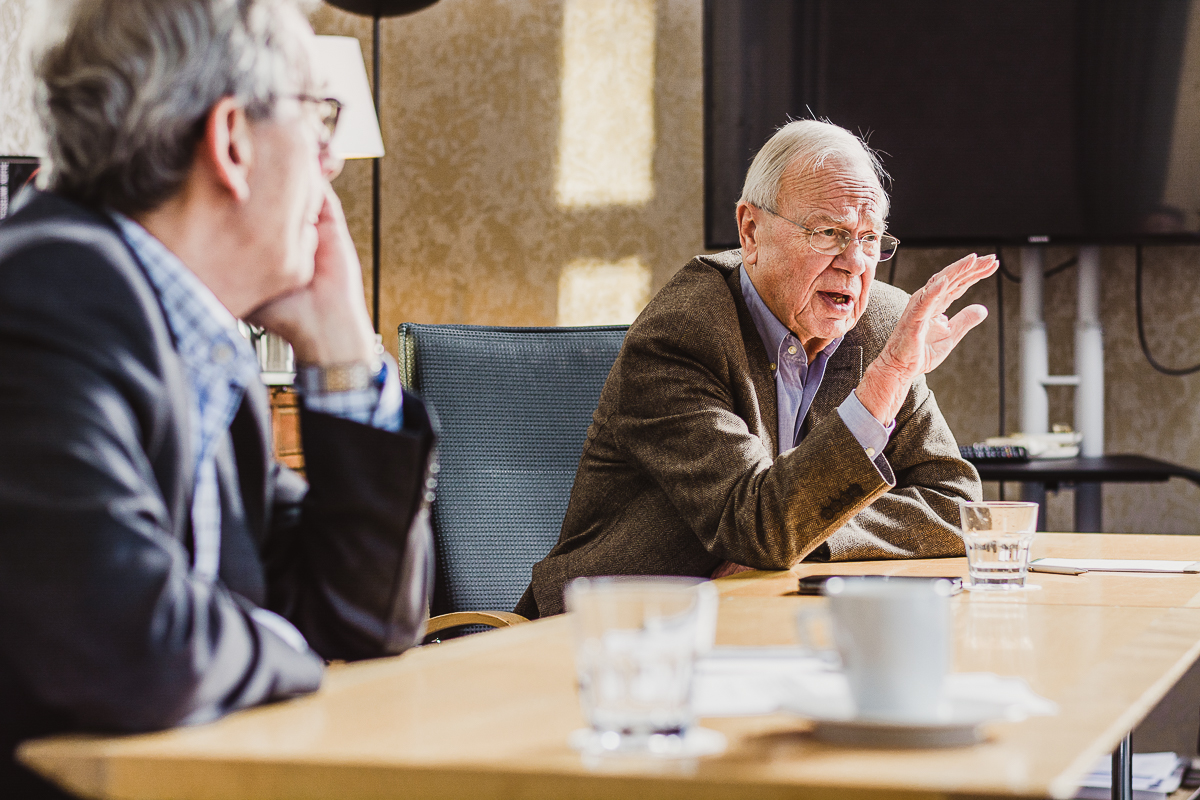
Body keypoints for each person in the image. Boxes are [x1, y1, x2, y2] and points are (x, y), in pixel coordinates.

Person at [0, 0, 436, 795]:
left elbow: (364, 619)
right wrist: (290, 646)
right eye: (318, 117)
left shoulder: (190, 328)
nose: (332, 160)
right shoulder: (40, 303)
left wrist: (340, 359)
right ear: (233, 141)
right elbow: (123, 642)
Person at [517, 120, 998, 618]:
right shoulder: (683, 334)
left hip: (762, 619)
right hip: (611, 634)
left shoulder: (882, 323)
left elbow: (956, 507)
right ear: (751, 230)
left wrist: (807, 535)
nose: (855, 262)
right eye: (828, 232)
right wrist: (889, 378)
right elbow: (759, 526)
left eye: (870, 238)